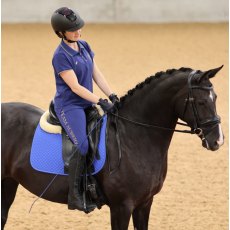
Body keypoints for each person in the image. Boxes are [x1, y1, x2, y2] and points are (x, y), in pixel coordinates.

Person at [51, 7, 119, 211]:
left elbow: (96, 74)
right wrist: (99, 101)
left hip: (87, 101)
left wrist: (111, 94)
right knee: (81, 146)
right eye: (73, 30)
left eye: (79, 28)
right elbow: (75, 87)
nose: (78, 32)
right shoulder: (60, 56)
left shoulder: (84, 45)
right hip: (69, 105)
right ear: (61, 33)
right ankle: (74, 195)